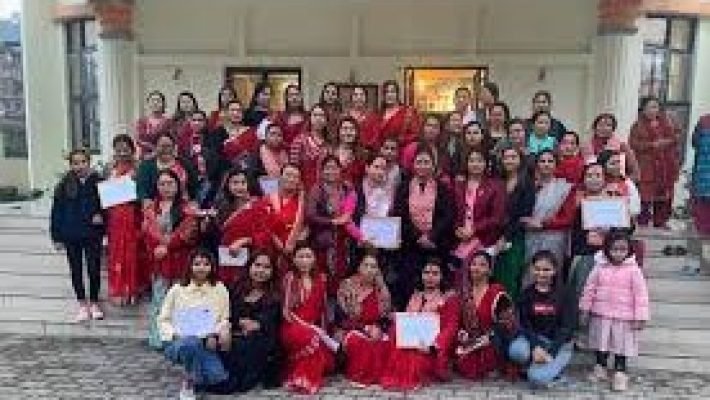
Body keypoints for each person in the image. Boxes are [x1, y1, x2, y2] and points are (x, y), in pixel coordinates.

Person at [580, 231, 649, 392]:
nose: (618, 253)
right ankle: (600, 367)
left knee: (621, 346)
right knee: (600, 342)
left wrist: (640, 317)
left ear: (629, 250)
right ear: (607, 249)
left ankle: (620, 372)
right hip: (601, 313)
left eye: (622, 249)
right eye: (614, 249)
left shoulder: (634, 270)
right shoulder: (599, 267)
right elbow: (589, 289)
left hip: (623, 316)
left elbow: (641, 295)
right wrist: (585, 309)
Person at [158, 249, 231, 400]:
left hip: (206, 342)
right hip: (178, 341)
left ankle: (195, 373)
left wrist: (214, 333)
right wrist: (174, 334)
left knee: (217, 377)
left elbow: (224, 318)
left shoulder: (220, 289)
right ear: (190, 266)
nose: (201, 268)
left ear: (212, 267)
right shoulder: (177, 289)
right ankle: (188, 384)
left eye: (206, 264)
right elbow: (163, 319)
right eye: (197, 264)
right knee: (190, 343)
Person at [207, 252, 282, 394]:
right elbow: (225, 312)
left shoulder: (275, 294)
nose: (261, 270)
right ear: (249, 266)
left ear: (272, 271)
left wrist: (257, 324)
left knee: (249, 342)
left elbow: (270, 322)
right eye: (257, 265)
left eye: (266, 267)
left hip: (260, 339)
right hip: (232, 331)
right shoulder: (236, 287)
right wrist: (236, 323)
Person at [380, 258, 460, 391]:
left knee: (413, 360)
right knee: (391, 339)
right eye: (426, 273)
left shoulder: (448, 298)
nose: (430, 277)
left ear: (442, 276)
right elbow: (409, 321)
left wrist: (433, 346)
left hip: (433, 349)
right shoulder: (416, 295)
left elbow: (450, 328)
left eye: (435, 273)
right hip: (412, 343)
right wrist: (397, 319)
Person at [393, 147, 455, 309]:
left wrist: (431, 236)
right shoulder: (404, 187)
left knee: (435, 283)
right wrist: (418, 236)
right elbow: (400, 214)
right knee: (407, 283)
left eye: (426, 162)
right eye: (419, 162)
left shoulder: (442, 188)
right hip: (410, 245)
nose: (422, 165)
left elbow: (448, 215)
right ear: (413, 165)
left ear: (433, 165)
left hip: (436, 245)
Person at [143, 169, 199, 349]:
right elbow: (146, 233)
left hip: (180, 259)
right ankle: (159, 338)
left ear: (178, 185)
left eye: (170, 183)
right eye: (162, 184)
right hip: (159, 261)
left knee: (182, 300)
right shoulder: (151, 209)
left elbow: (189, 233)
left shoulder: (188, 208)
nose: (166, 187)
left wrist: (168, 246)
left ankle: (181, 339)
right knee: (160, 299)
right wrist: (157, 247)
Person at [50, 148, 105, 322]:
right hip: (71, 234)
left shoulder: (100, 182)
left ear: (89, 162)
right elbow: (56, 212)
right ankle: (82, 304)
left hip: (92, 233)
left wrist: (101, 216)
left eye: (83, 162)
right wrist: (56, 236)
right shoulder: (64, 185)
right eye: (75, 163)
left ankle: (94, 303)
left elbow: (108, 206)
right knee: (76, 270)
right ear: (71, 165)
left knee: (93, 269)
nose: (80, 166)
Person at [509, 250, 575, 388]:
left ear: (555, 270)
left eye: (546, 270)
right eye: (537, 269)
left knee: (536, 379)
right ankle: (537, 364)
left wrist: (551, 352)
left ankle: (554, 370)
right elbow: (525, 324)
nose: (541, 273)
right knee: (516, 351)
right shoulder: (526, 293)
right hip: (536, 339)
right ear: (531, 269)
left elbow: (567, 328)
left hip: (558, 343)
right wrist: (535, 346)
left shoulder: (565, 293)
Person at [280, 244, 336, 394]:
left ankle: (302, 376)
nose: (304, 261)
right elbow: (286, 311)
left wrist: (324, 331)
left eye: (308, 256)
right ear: (294, 259)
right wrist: (308, 327)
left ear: (314, 259)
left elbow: (323, 309)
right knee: (311, 337)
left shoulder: (321, 279)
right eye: (301, 256)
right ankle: (304, 380)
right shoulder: (290, 278)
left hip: (314, 327)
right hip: (292, 325)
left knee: (325, 352)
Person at [335, 251, 392, 386]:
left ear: (378, 270)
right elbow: (341, 318)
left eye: (373, 266)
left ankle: (376, 375)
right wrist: (364, 328)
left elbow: (385, 317)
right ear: (359, 267)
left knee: (386, 342)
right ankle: (360, 376)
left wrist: (378, 328)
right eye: (366, 265)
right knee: (360, 342)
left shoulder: (381, 289)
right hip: (350, 329)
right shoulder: (347, 285)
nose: (369, 269)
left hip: (375, 329)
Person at [306, 156, 358, 296]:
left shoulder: (347, 188)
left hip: (344, 239)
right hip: (324, 241)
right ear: (322, 171)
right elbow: (310, 216)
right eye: (327, 168)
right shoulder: (317, 189)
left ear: (340, 170)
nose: (331, 171)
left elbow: (351, 210)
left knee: (342, 272)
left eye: (334, 167)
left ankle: (339, 303)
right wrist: (332, 222)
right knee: (324, 275)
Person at [522, 150, 575, 284]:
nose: (546, 164)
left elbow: (568, 218)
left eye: (550, 161)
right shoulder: (527, 186)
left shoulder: (564, 187)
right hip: (529, 237)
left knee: (552, 274)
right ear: (537, 165)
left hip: (554, 238)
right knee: (529, 274)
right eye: (542, 161)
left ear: (556, 165)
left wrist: (543, 224)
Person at [455, 251, 509, 380]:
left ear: (489, 270)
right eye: (473, 264)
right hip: (471, 341)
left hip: (493, 340)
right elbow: (459, 321)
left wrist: (489, 337)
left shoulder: (497, 293)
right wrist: (461, 331)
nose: (476, 268)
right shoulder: (464, 293)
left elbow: (508, 324)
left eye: (482, 265)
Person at [629, 96, 680, 228]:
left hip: (665, 168)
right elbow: (633, 144)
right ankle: (642, 225)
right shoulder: (637, 126)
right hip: (646, 166)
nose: (653, 110)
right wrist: (651, 145)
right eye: (650, 107)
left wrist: (664, 142)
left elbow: (674, 139)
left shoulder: (667, 124)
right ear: (643, 109)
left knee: (663, 198)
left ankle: (660, 223)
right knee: (644, 198)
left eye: (655, 107)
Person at [214, 168, 272, 285]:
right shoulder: (222, 207)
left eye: (243, 182)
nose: (239, 187)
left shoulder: (258, 205)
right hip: (227, 257)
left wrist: (244, 241)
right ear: (227, 185)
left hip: (250, 256)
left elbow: (265, 235)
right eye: (235, 183)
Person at [105, 135, 144, 306]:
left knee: (132, 252)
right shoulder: (109, 169)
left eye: (126, 149)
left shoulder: (139, 168)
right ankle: (118, 289)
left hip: (133, 214)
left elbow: (143, 192)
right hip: (114, 216)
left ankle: (132, 290)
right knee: (116, 252)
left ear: (132, 150)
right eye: (118, 149)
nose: (122, 153)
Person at [452, 148, 506, 266]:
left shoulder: (497, 186)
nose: (475, 164)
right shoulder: (458, 185)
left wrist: (474, 230)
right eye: (471, 160)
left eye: (479, 160)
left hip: (485, 240)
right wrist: (457, 229)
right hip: (461, 239)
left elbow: (497, 217)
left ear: (486, 163)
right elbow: (453, 212)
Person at [494, 145, 535, 300]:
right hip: (494, 235)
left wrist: (505, 237)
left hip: (514, 237)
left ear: (520, 160)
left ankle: (509, 312)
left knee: (510, 277)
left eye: (513, 157)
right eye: (506, 157)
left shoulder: (527, 183)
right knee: (495, 277)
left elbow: (524, 216)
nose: (509, 160)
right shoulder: (498, 181)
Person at [266, 164, 307, 276]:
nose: (291, 179)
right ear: (280, 177)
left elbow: (307, 227)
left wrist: (297, 240)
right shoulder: (269, 196)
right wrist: (277, 242)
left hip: (293, 252)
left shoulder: (302, 201)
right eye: (288, 175)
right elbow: (262, 223)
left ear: (299, 181)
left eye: (295, 177)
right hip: (269, 250)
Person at [136, 132, 199, 203]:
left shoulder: (185, 164)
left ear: (174, 147)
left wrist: (194, 202)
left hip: (183, 205)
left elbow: (195, 187)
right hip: (154, 206)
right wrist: (145, 200)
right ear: (155, 147)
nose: (165, 149)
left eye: (168, 146)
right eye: (162, 146)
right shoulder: (146, 166)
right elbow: (141, 189)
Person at [581, 113, 640, 182]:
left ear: (613, 129)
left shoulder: (622, 147)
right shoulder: (585, 147)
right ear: (595, 127)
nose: (604, 128)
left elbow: (635, 173)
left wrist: (623, 184)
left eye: (608, 125)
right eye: (600, 125)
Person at [289, 104, 330, 190]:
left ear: (326, 120)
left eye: (322, 115)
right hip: (303, 189)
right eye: (315, 115)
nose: (318, 118)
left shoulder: (329, 144)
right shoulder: (299, 140)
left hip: (325, 191)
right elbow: (293, 168)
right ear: (310, 118)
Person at [219, 100, 259, 171]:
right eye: (232, 110)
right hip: (227, 171)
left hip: (250, 170)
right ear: (226, 113)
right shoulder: (219, 132)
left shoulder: (251, 131)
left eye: (239, 110)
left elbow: (255, 152)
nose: (236, 113)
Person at [378, 80, 420, 146]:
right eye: (386, 92)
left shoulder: (408, 112)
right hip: (382, 150)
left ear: (397, 94)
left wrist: (399, 141)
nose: (389, 95)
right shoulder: (378, 114)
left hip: (403, 149)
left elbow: (415, 134)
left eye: (392, 92)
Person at [135, 90, 172, 160]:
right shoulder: (141, 122)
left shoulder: (169, 122)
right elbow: (138, 141)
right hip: (145, 157)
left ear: (163, 104)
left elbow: (171, 141)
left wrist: (157, 151)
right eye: (152, 101)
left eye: (158, 101)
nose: (155, 103)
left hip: (164, 158)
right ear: (148, 104)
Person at [331, 117, 366, 186]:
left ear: (356, 132)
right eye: (345, 129)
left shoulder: (362, 155)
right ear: (338, 132)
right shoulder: (330, 152)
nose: (348, 132)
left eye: (352, 129)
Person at [344, 85, 380, 150]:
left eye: (361, 95)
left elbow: (375, 137)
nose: (359, 97)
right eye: (356, 95)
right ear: (351, 98)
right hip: (347, 150)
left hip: (366, 151)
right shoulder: (345, 115)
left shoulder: (372, 117)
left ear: (366, 98)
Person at [691, 114, 710, 234]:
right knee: (702, 201)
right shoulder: (703, 121)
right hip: (703, 170)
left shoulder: (703, 121)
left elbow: (695, 142)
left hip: (702, 170)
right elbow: (695, 142)